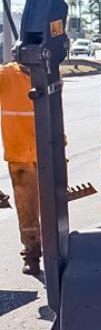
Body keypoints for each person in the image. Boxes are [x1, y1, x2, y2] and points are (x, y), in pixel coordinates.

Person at [0, 62, 41, 275]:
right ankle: (32, 254)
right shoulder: (6, 75)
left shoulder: (47, 73)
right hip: (20, 156)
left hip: (47, 151)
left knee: (52, 208)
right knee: (27, 212)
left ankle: (56, 251)